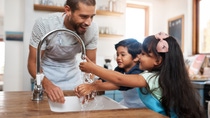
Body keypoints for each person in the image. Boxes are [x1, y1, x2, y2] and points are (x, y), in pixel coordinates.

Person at [76, 32, 206, 118]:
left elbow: (119, 79)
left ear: (157, 61)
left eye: (143, 54)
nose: (139, 57)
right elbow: (116, 79)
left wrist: (93, 68)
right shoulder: (157, 76)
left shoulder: (151, 77)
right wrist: (95, 85)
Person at [27, 0, 98, 103]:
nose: (88, 22)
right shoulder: (44, 24)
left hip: (73, 79)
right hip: (46, 76)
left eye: (92, 16)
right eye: (83, 16)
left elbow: (91, 64)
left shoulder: (92, 29)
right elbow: (32, 63)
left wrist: (88, 85)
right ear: (68, 10)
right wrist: (46, 84)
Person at [75, 38, 146, 108]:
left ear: (136, 57)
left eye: (123, 55)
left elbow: (119, 83)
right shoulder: (120, 69)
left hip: (143, 108)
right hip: (127, 105)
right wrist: (88, 89)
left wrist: (92, 86)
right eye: (117, 54)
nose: (118, 57)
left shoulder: (139, 71)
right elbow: (104, 80)